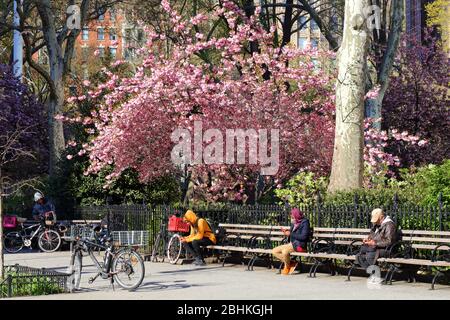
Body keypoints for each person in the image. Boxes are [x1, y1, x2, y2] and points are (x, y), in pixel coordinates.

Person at [272, 208, 311, 275]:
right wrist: (287, 232)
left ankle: (287, 267)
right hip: (291, 244)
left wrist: (291, 233)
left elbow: (304, 237)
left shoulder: (305, 222)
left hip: (299, 245)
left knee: (285, 251)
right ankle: (291, 263)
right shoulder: (294, 223)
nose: (291, 218)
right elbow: (292, 233)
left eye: (292, 217)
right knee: (274, 251)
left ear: (296, 216)